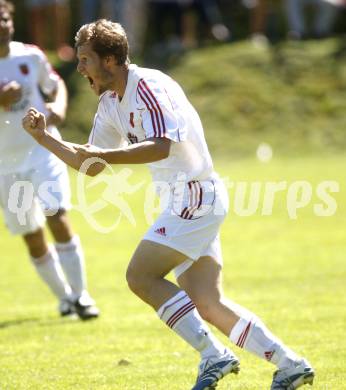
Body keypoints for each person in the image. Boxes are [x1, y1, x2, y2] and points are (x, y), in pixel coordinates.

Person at [22, 18, 314, 389]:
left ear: (110, 60)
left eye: (85, 59)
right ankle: (290, 364)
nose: (79, 68)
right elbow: (91, 164)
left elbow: (162, 145)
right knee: (207, 303)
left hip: (194, 196)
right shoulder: (111, 102)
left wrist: (106, 156)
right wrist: (45, 139)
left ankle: (214, 355)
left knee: (140, 276)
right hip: (187, 200)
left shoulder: (149, 85)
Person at [0, 0, 99, 320]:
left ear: (12, 22)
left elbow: (55, 86)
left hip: (43, 151)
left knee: (57, 216)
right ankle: (65, 299)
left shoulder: (30, 55)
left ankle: (82, 296)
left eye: (4, 19)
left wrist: (59, 107)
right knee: (31, 235)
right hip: (5, 165)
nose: (1, 26)